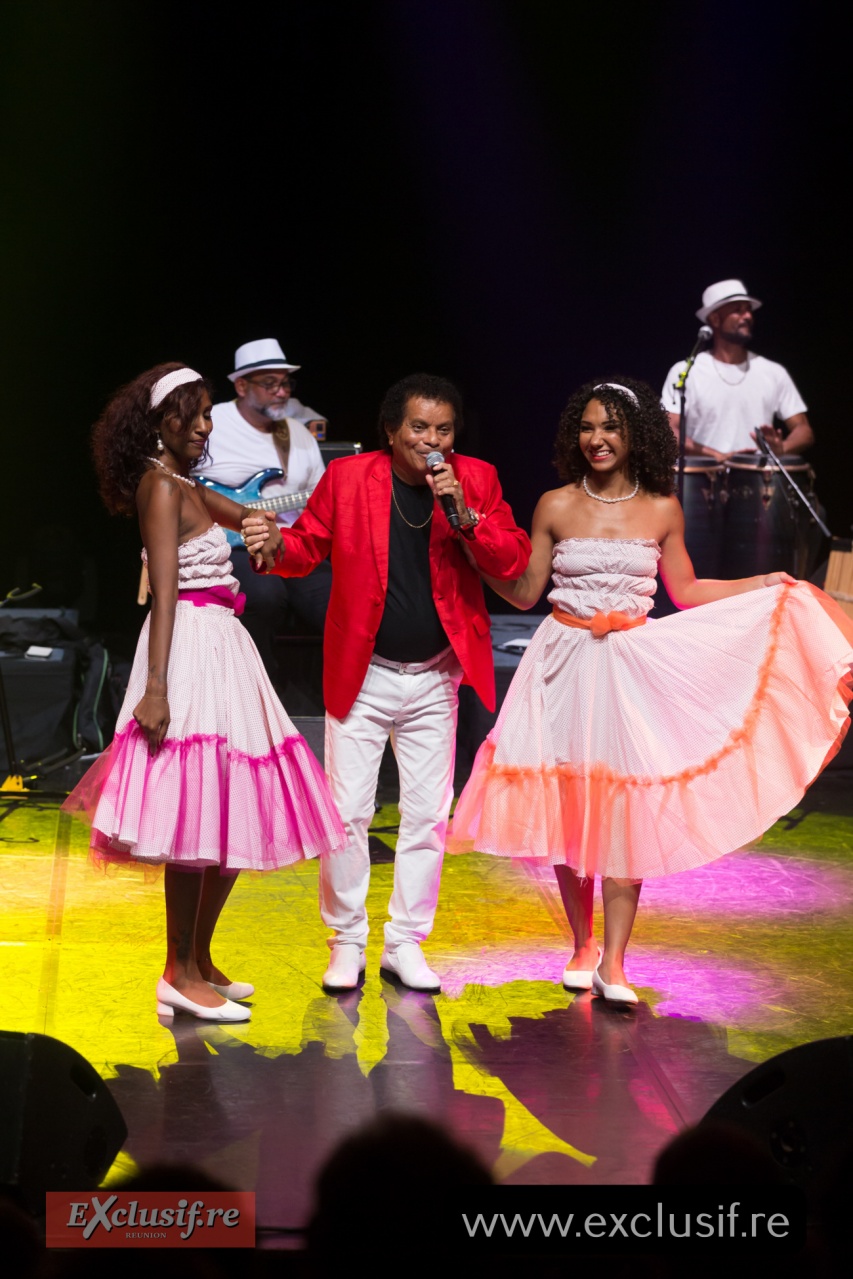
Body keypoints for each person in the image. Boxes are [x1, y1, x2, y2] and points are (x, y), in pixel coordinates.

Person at [449, 377, 853, 1004]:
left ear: (635, 435)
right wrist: (473, 554)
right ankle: (583, 944)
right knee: (568, 807)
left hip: (628, 669)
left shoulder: (663, 507)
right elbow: (527, 593)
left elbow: (685, 591)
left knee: (624, 812)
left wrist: (761, 583)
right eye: (587, 427)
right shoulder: (555, 504)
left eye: (610, 427)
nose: (597, 439)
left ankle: (614, 963)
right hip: (560, 665)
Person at [63, 363, 345, 1022]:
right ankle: (177, 970)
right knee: (194, 818)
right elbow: (165, 593)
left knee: (233, 807)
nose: (201, 426)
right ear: (155, 423)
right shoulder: (159, 487)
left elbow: (243, 512)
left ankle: (200, 957)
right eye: (186, 416)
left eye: (205, 415)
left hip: (222, 645)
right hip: (188, 646)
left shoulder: (185, 484)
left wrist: (262, 527)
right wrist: (156, 688)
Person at [243, 372, 531, 993]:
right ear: (393, 431)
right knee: (347, 813)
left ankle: (405, 944)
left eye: (444, 429)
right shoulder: (349, 479)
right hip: (364, 672)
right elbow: (306, 548)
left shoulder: (476, 479)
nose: (433, 440)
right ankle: (346, 941)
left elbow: (511, 559)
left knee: (427, 816)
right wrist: (273, 547)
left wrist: (464, 513)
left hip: (435, 676)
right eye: (420, 428)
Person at [192, 338, 332, 681]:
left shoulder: (298, 435)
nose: (282, 392)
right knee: (264, 597)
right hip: (234, 542)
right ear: (242, 386)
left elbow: (322, 496)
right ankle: (257, 687)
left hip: (294, 542)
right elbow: (181, 482)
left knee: (338, 602)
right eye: (270, 384)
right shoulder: (213, 423)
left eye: (285, 383)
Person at [662, 279, 815, 461]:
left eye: (748, 310)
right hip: (706, 475)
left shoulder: (773, 372)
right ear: (715, 319)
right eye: (737, 310)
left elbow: (804, 430)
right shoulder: (686, 372)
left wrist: (782, 448)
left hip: (760, 477)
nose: (748, 316)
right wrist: (718, 456)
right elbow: (668, 431)